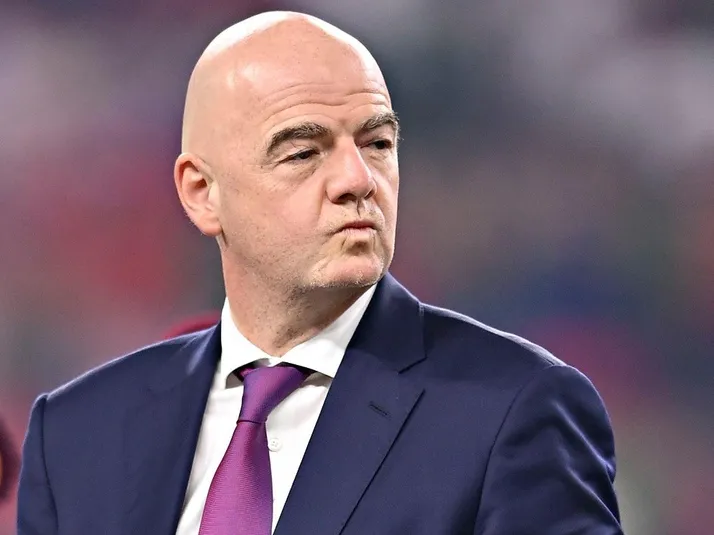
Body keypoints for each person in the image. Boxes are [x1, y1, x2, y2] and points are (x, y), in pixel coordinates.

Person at [17, 11, 623, 535]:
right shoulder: (75, 433)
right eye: (303, 152)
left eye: (377, 144)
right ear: (202, 193)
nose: (358, 180)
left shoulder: (514, 408)